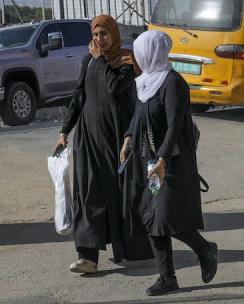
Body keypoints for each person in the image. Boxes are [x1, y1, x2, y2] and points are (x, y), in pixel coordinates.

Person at [120, 29, 218, 296]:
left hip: (169, 162)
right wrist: (128, 138)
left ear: (152, 53)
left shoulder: (173, 83)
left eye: (140, 53)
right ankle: (167, 278)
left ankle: (205, 249)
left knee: (166, 215)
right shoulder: (145, 83)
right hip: (149, 162)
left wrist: (162, 158)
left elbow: (175, 125)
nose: (137, 58)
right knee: (153, 216)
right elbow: (139, 116)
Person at [55, 15, 151, 273]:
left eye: (105, 34)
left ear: (114, 35)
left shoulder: (125, 63)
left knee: (120, 193)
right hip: (88, 138)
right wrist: (65, 130)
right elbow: (78, 97)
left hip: (117, 138)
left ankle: (128, 248)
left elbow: (113, 88)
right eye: (96, 34)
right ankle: (87, 256)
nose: (100, 40)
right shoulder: (88, 61)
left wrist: (102, 60)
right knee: (87, 193)